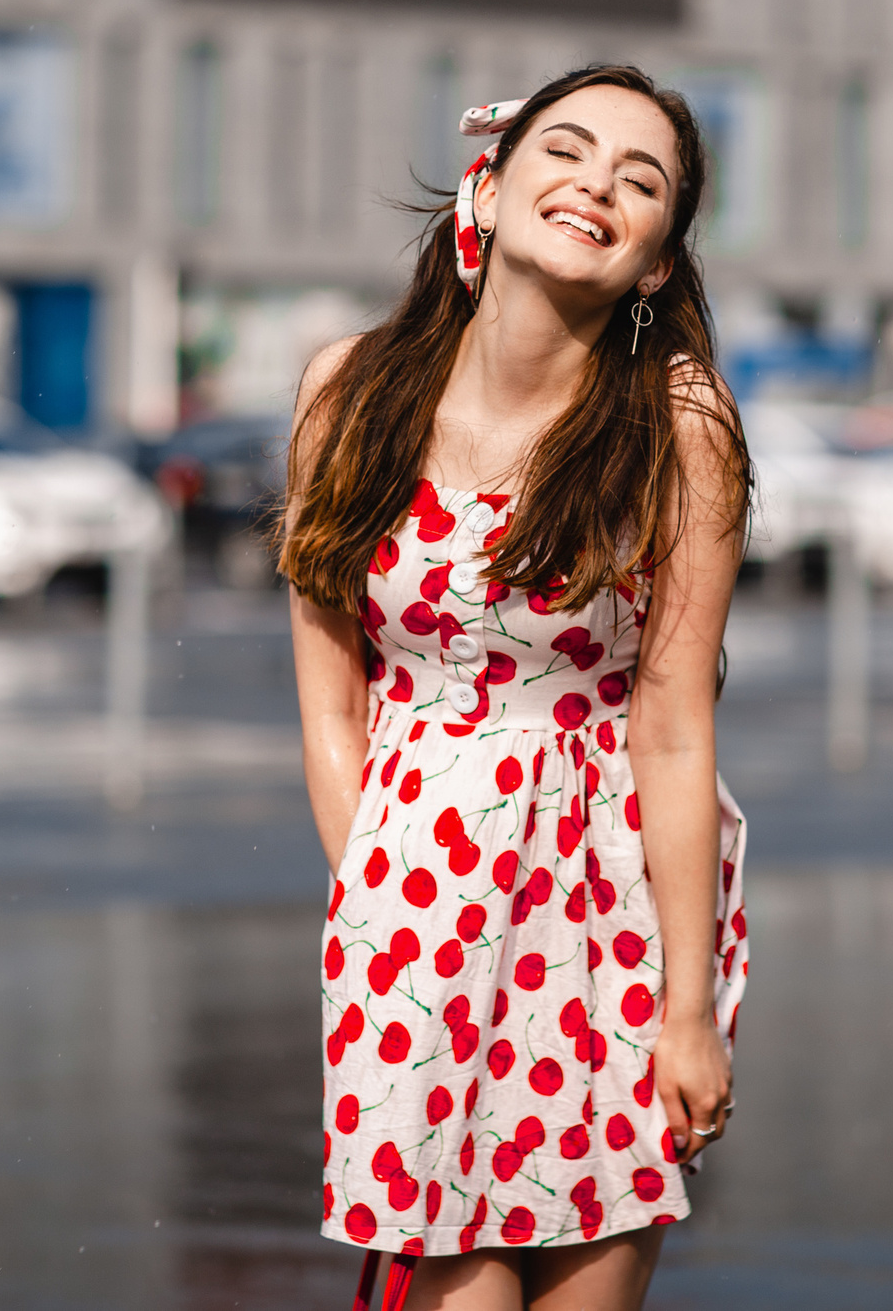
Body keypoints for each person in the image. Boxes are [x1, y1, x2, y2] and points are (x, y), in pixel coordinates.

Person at [279, 66, 751, 1311]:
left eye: (638, 180)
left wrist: (688, 1006)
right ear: (486, 191)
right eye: (569, 151)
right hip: (410, 903)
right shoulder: (348, 391)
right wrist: (382, 902)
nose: (596, 183)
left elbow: (673, 733)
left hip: (610, 916)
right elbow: (331, 699)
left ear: (656, 262)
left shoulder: (676, 424)